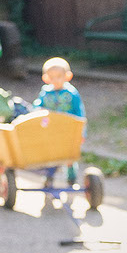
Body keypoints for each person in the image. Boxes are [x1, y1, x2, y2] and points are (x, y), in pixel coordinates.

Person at [34, 56, 86, 186]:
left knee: (69, 155)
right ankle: (49, 177)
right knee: (52, 154)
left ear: (67, 76)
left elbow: (79, 112)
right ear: (46, 78)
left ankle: (71, 177)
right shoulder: (45, 93)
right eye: (52, 77)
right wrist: (38, 110)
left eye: (59, 76)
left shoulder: (71, 93)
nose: (55, 80)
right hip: (51, 131)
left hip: (68, 130)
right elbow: (37, 106)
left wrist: (81, 132)